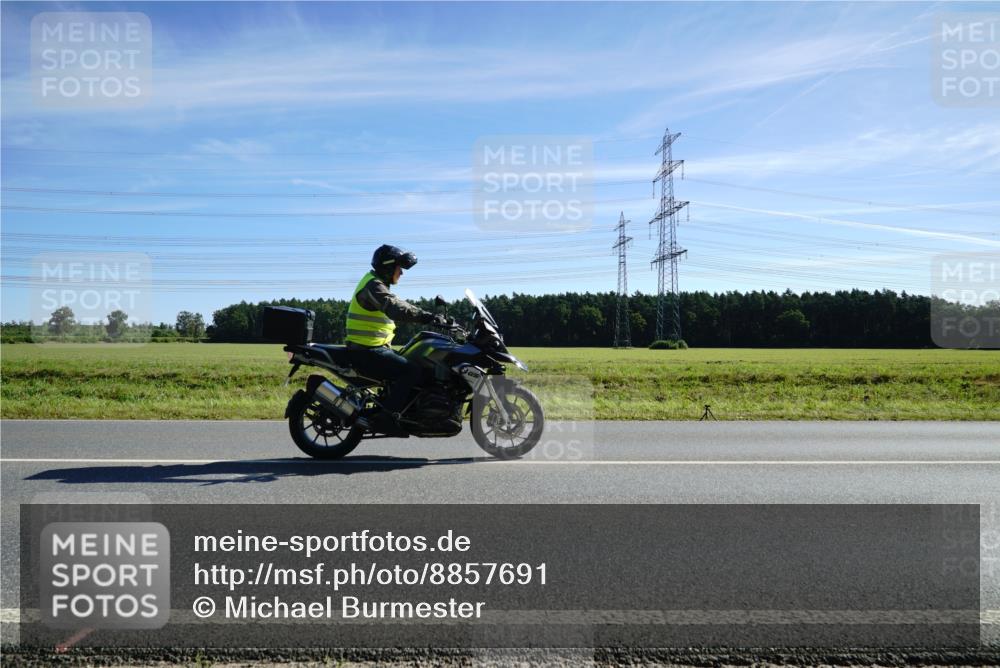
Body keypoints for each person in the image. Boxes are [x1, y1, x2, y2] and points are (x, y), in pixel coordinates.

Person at [344, 244, 449, 434]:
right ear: (388, 267)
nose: (401, 273)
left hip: (373, 347)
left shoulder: (377, 284)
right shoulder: (373, 286)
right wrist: (428, 317)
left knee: (412, 363)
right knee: (410, 371)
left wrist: (433, 317)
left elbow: (399, 304)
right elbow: (396, 308)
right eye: (399, 268)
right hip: (367, 350)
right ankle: (386, 418)